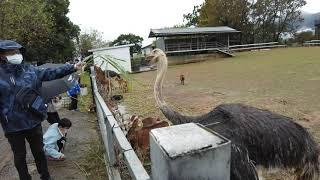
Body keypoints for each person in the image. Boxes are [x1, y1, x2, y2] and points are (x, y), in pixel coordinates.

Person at [0, 40, 82, 180]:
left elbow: (51, 73)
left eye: (18, 51)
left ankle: (45, 176)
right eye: (11, 52)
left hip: (33, 121)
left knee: (39, 152)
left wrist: (72, 67)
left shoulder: (29, 70)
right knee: (19, 156)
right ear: (2, 55)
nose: (16, 54)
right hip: (12, 126)